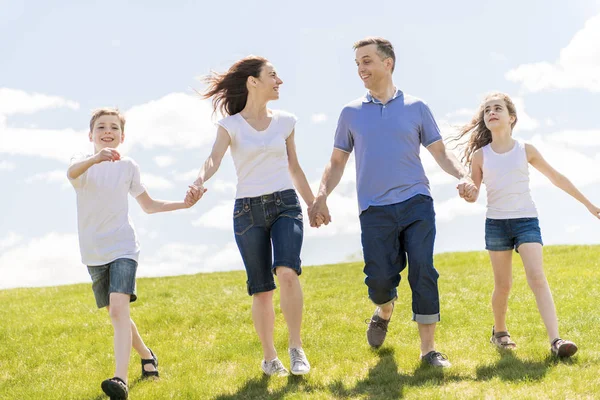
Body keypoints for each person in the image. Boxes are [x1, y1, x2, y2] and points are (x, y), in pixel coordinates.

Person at [308, 37, 476, 367]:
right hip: (374, 209)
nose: (361, 69)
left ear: (388, 63)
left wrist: (462, 176)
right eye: (357, 63)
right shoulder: (350, 113)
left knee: (423, 270)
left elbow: (440, 152)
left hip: (416, 201)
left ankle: (428, 350)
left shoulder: (416, 107)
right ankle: (385, 308)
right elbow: (337, 161)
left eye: (367, 61)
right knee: (380, 280)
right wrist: (322, 194)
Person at [186, 56, 321, 376]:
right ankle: (269, 357)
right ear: (253, 82)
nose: (280, 81)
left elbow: (295, 167)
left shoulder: (286, 121)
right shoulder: (229, 126)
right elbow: (213, 159)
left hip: (285, 204)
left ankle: (296, 348)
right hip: (247, 211)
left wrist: (314, 203)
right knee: (262, 289)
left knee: (287, 272)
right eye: (273, 75)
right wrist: (198, 181)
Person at [67, 108, 200, 399]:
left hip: (123, 247)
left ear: (122, 136)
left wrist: (184, 204)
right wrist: (96, 158)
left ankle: (120, 380)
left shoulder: (128, 166)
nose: (107, 131)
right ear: (91, 135)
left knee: (118, 310)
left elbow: (149, 205)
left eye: (114, 128)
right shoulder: (82, 164)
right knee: (117, 314)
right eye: (101, 127)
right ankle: (147, 356)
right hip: (93, 252)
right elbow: (71, 173)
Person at [455, 92, 600, 357]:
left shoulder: (526, 149)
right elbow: (474, 193)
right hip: (496, 223)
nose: (491, 113)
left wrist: (588, 205)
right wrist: (467, 190)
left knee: (536, 277)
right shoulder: (480, 155)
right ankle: (500, 333)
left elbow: (557, 177)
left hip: (526, 221)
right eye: (487, 110)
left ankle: (556, 341)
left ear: (511, 118)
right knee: (504, 285)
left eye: (497, 108)